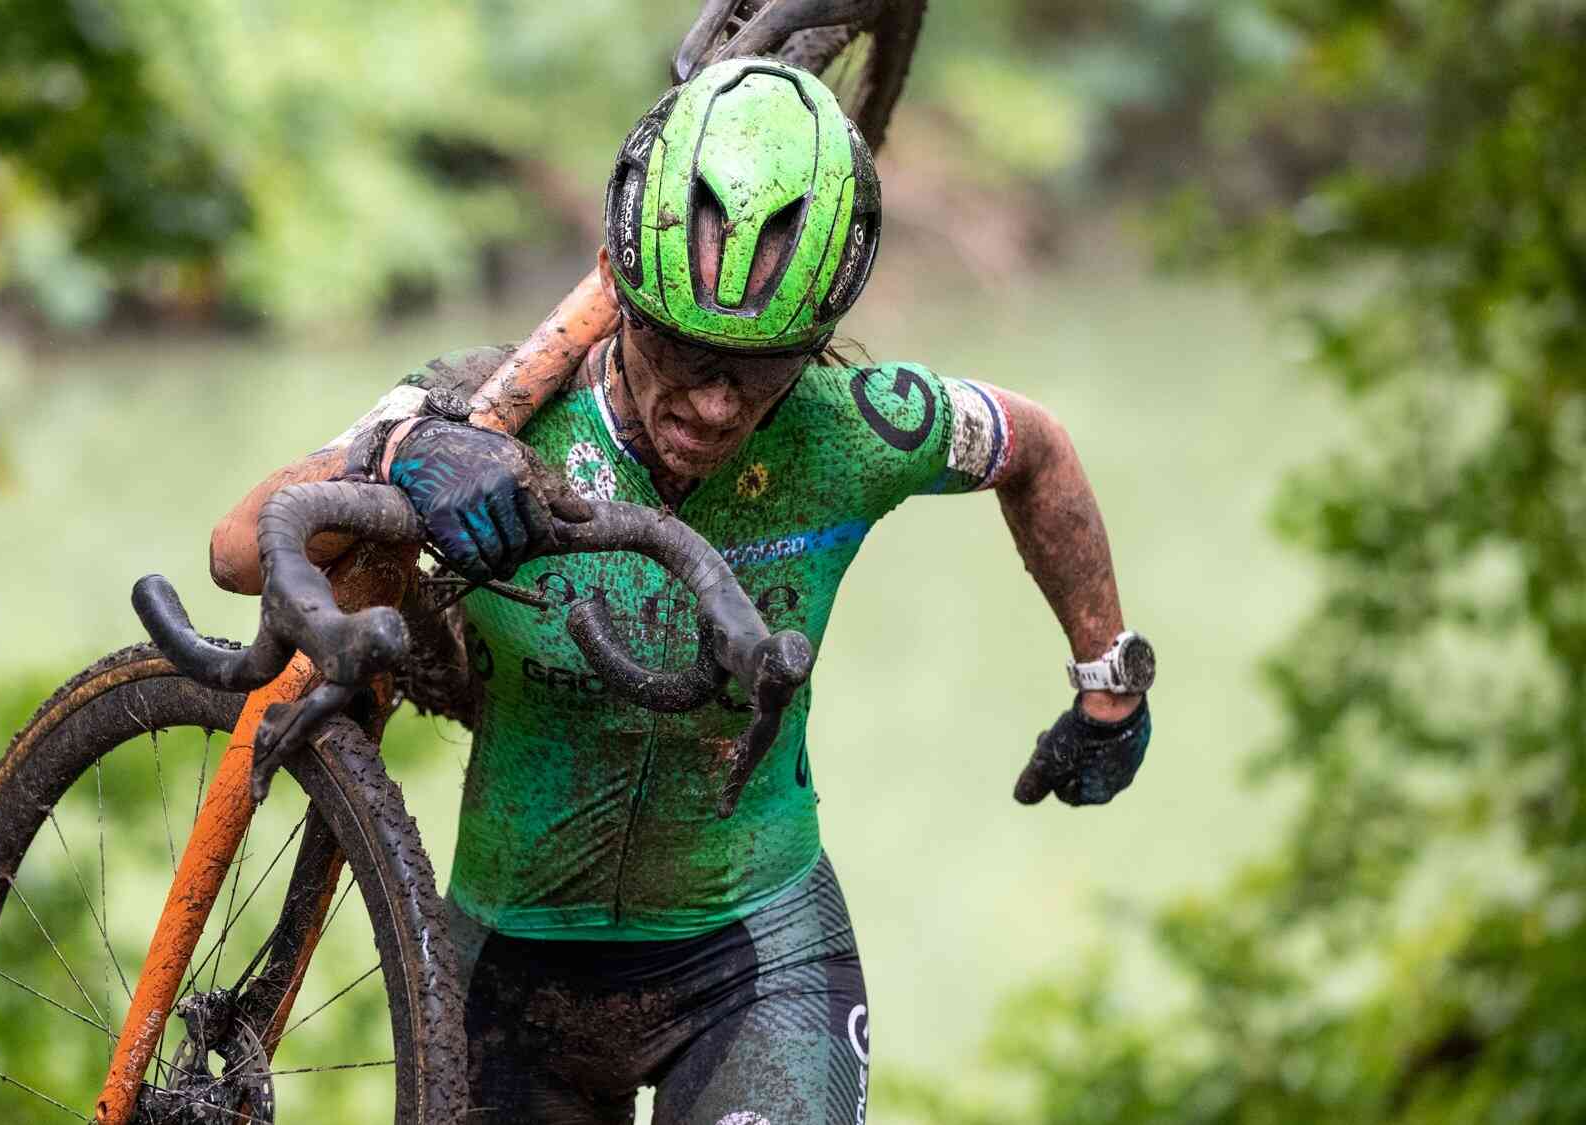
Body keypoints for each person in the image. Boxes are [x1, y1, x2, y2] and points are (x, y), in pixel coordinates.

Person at [210, 57, 1154, 1125]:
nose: (711, 405)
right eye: (680, 348)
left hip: (755, 957)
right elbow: (241, 548)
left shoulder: (856, 429)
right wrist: (401, 460)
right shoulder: (489, 410)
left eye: (757, 368)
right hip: (506, 974)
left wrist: (1106, 676)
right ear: (621, 298)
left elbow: (1033, 445)